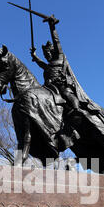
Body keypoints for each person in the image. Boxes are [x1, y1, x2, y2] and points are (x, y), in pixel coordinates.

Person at [30, 16, 80, 150]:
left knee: (70, 98)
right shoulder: (47, 66)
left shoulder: (59, 57)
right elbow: (41, 63)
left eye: (47, 52)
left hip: (62, 87)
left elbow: (56, 41)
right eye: (44, 54)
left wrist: (52, 27)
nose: (46, 55)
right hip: (49, 89)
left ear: (52, 51)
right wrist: (35, 56)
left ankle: (74, 116)